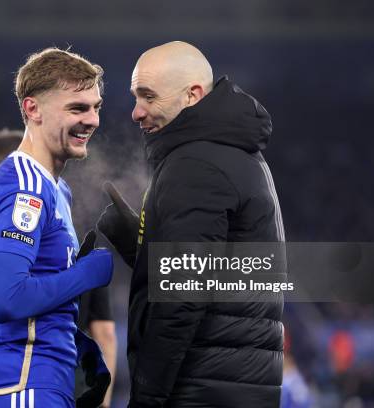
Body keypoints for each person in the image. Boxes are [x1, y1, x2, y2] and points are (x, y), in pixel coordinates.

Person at [97, 41, 285, 407]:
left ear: (192, 96)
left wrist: (147, 398)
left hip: (201, 389)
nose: (136, 112)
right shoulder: (232, 153)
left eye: (148, 97)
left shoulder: (196, 164)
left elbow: (182, 300)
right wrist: (138, 242)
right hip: (232, 386)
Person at [0, 48, 113, 408]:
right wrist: (86, 275)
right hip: (20, 384)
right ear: (32, 109)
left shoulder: (55, 187)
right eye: (77, 108)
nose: (92, 120)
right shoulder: (25, 187)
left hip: (39, 382)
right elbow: (6, 298)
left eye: (95, 107)